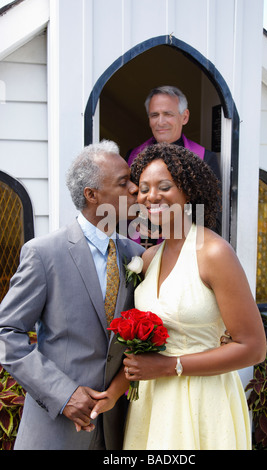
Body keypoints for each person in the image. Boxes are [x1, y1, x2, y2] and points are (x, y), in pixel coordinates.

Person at [95, 143, 266, 450]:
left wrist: (170, 366)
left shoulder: (214, 254)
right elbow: (135, 344)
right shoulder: (147, 259)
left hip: (203, 401)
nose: (151, 197)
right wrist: (112, 392)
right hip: (152, 405)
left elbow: (253, 348)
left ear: (188, 192)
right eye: (143, 189)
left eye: (164, 186)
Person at [0, 140, 144, 450]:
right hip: (57, 430)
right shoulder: (44, 253)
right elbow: (5, 333)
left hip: (119, 427)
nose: (135, 189)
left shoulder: (138, 255)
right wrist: (62, 393)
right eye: (123, 182)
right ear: (93, 195)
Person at [127, 85, 222, 236]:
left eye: (168, 114)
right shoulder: (133, 156)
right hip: (140, 244)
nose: (160, 122)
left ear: (184, 117)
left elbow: (212, 217)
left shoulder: (204, 158)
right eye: (154, 115)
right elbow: (123, 204)